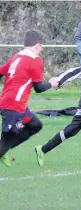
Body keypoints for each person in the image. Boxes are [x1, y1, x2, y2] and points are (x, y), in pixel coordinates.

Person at [0, 29, 58, 167]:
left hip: (11, 104)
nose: (41, 50)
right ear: (37, 45)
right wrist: (51, 83)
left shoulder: (17, 56)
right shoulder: (35, 59)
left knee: (35, 124)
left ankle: (4, 149)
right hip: (13, 106)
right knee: (4, 143)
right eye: (41, 47)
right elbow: (38, 88)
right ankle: (3, 150)